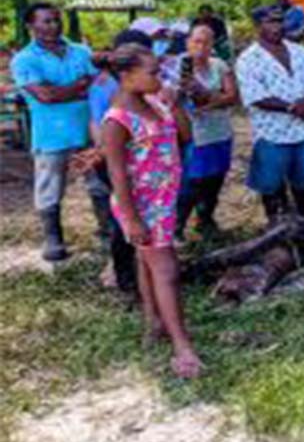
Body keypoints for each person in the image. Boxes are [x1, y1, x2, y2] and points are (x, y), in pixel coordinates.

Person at [100, 43, 202, 378]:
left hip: (164, 199)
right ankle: (183, 348)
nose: (160, 76)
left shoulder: (156, 103)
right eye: (153, 72)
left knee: (147, 261)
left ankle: (153, 323)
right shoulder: (117, 120)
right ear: (127, 76)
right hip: (142, 206)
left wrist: (175, 105)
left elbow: (185, 137)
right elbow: (116, 173)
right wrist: (130, 218)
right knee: (167, 270)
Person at [12, 2, 101, 262]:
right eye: (46, 21)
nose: (54, 26)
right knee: (50, 187)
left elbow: (96, 85)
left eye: (56, 20)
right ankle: (53, 239)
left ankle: (106, 232)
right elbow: (45, 96)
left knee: (98, 183)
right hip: (51, 135)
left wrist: (62, 89)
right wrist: (79, 86)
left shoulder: (81, 51)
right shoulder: (24, 59)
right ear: (31, 26)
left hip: (89, 130)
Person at [81, 29, 154, 295]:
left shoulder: (150, 80)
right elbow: (100, 124)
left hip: (146, 165)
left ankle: (146, 269)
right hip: (118, 162)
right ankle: (126, 279)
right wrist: (103, 153)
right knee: (123, 218)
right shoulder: (104, 86)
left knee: (144, 214)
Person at [236, 5, 304, 221]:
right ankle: (275, 227)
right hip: (271, 134)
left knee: (303, 182)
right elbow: (255, 97)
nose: (277, 26)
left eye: (280, 21)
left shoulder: (299, 51)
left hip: (303, 130)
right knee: (271, 185)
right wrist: (293, 107)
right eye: (270, 22)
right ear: (258, 26)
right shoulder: (248, 59)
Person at [173, 23, 238, 239]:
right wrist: (216, 98)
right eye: (196, 41)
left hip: (219, 131)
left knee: (215, 178)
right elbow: (173, 101)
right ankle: (178, 226)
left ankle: (206, 219)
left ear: (213, 44)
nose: (201, 46)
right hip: (193, 133)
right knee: (192, 181)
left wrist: (207, 99)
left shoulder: (218, 65)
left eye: (207, 41)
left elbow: (233, 97)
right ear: (188, 42)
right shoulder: (176, 67)